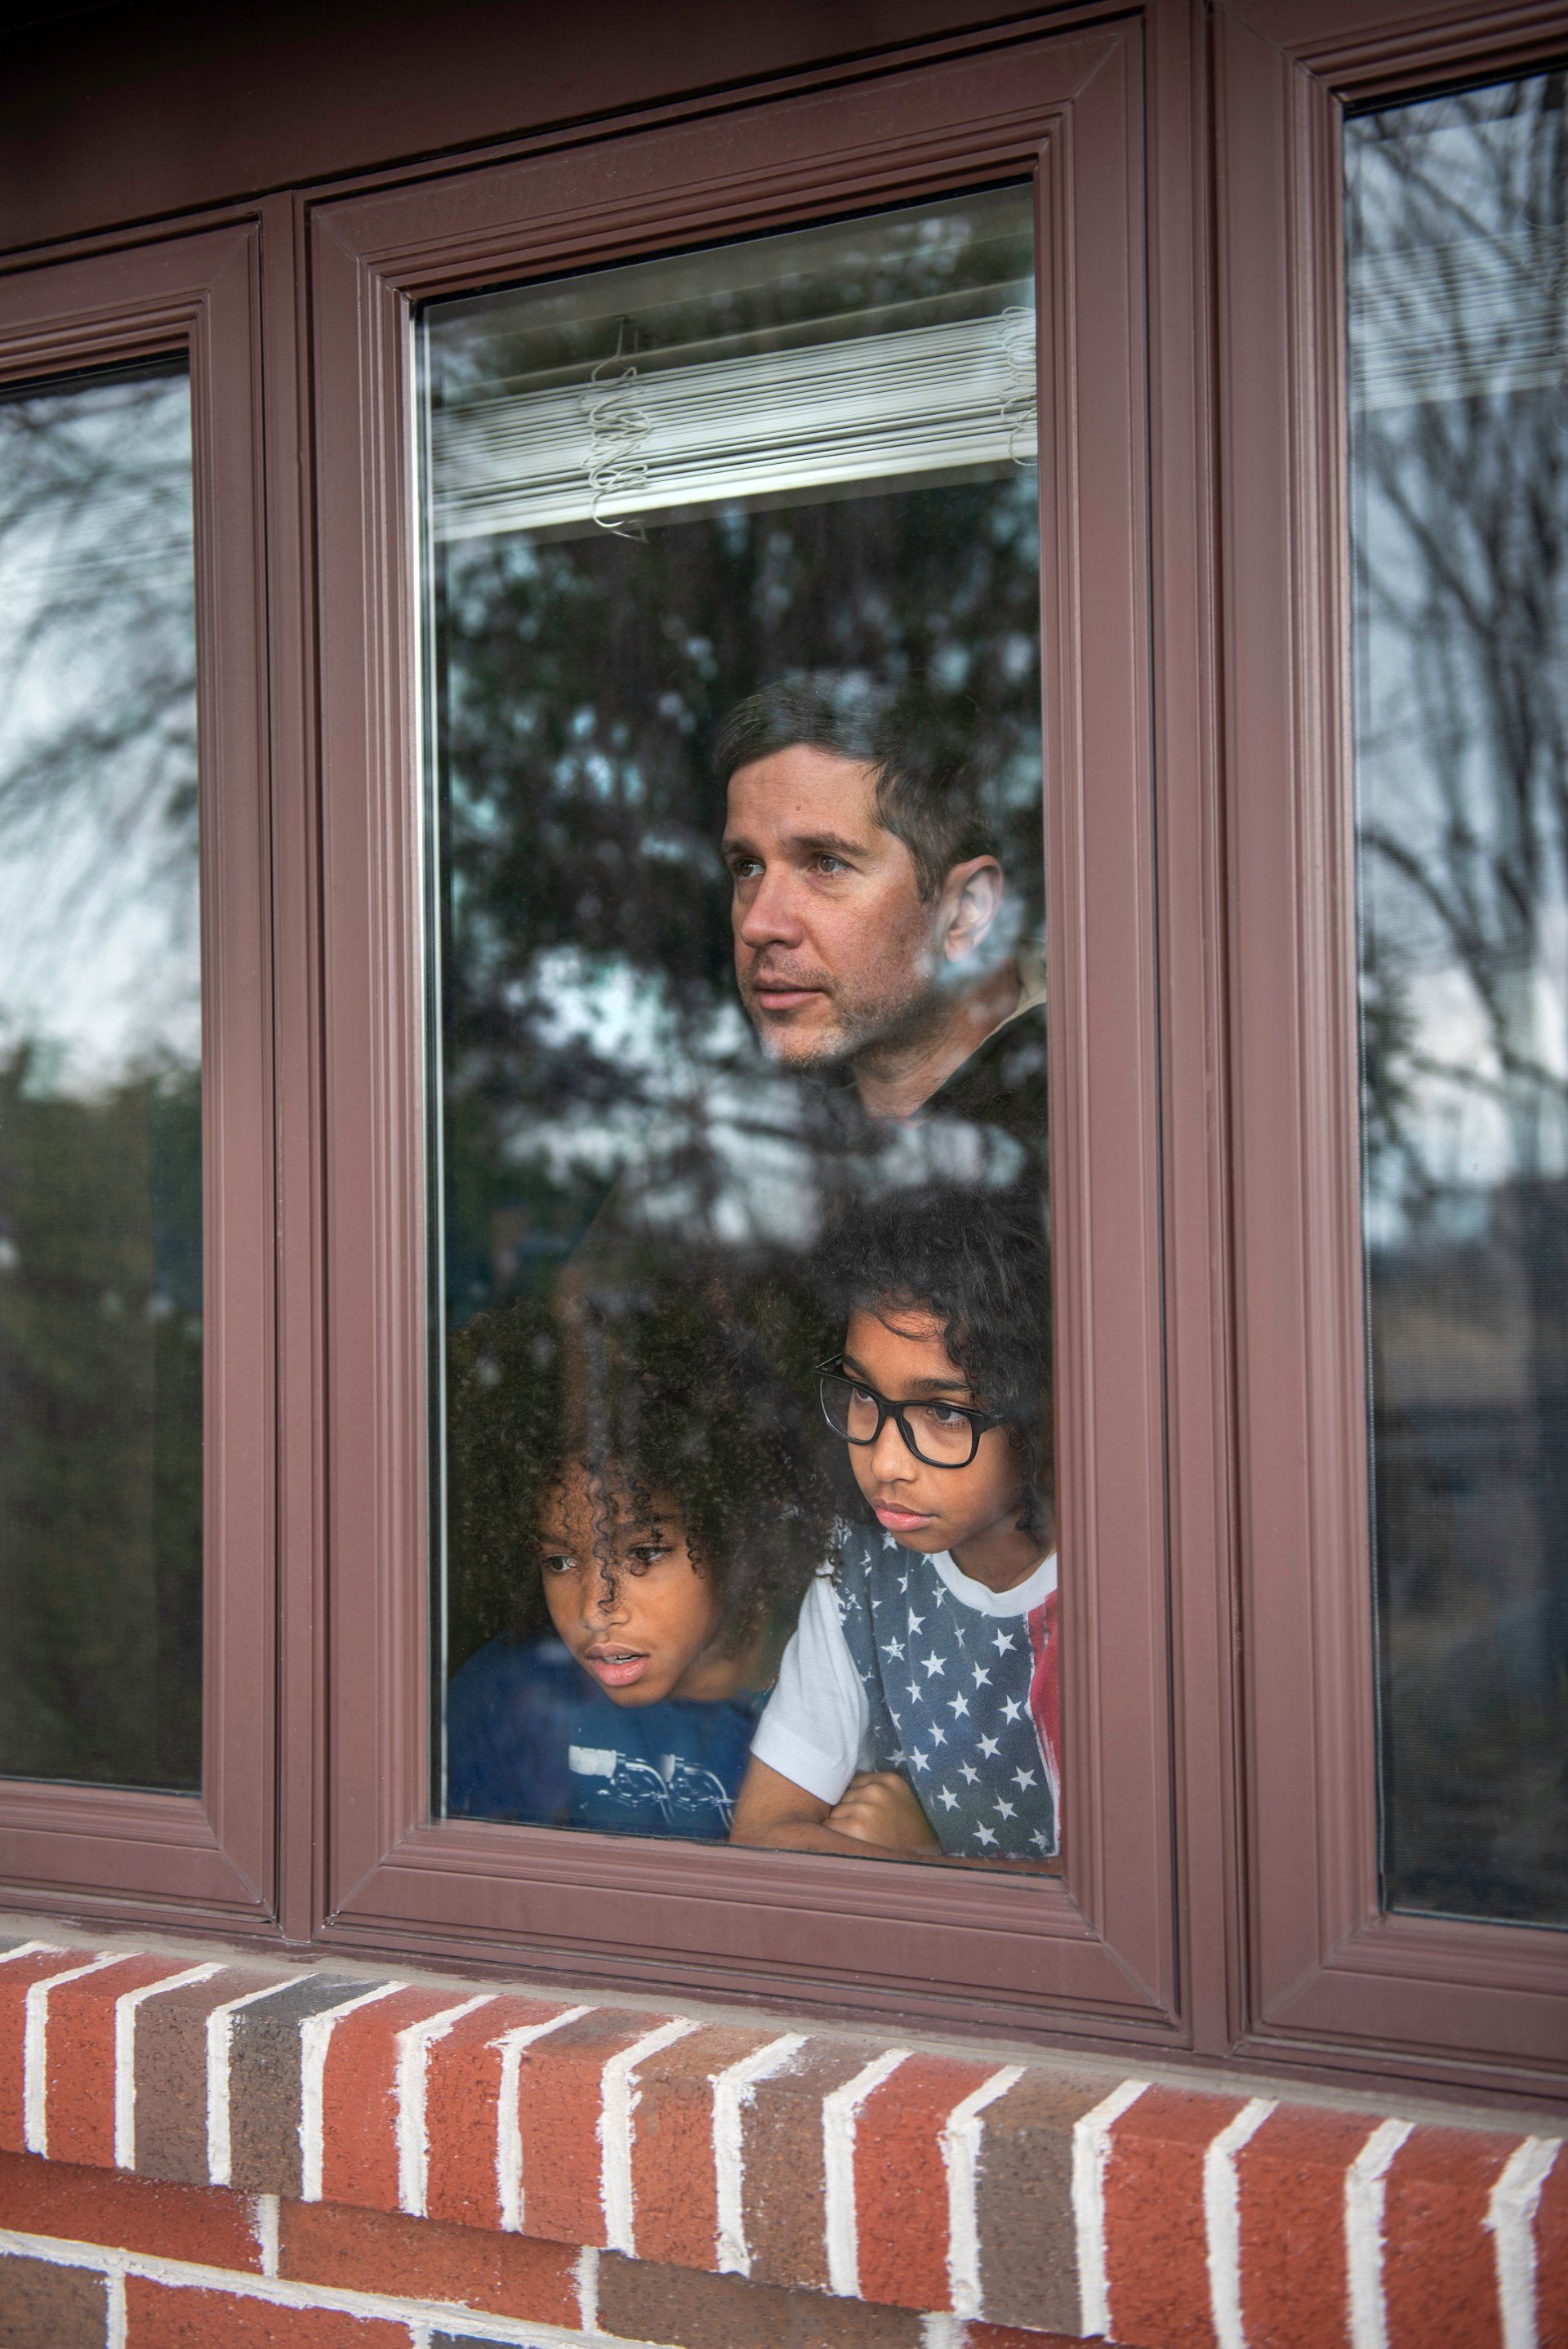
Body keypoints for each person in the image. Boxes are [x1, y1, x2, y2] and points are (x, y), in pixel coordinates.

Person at [731, 1184, 1059, 1865]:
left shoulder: (1118, 1596)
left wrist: (927, 1863)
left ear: (1040, 1415)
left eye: (944, 1413)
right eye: (861, 1394)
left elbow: (1137, 1902)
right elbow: (764, 1838)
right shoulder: (860, 1573)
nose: (884, 1462)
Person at [443, 1284, 834, 1839]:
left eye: (644, 1554)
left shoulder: (828, 1706)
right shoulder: (506, 1699)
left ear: (737, 1535)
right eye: (560, 1561)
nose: (595, 1610)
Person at [715, 675, 1047, 1165]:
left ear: (965, 912)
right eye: (748, 867)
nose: (758, 926)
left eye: (826, 864)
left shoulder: (1105, 1114)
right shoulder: (724, 1130)